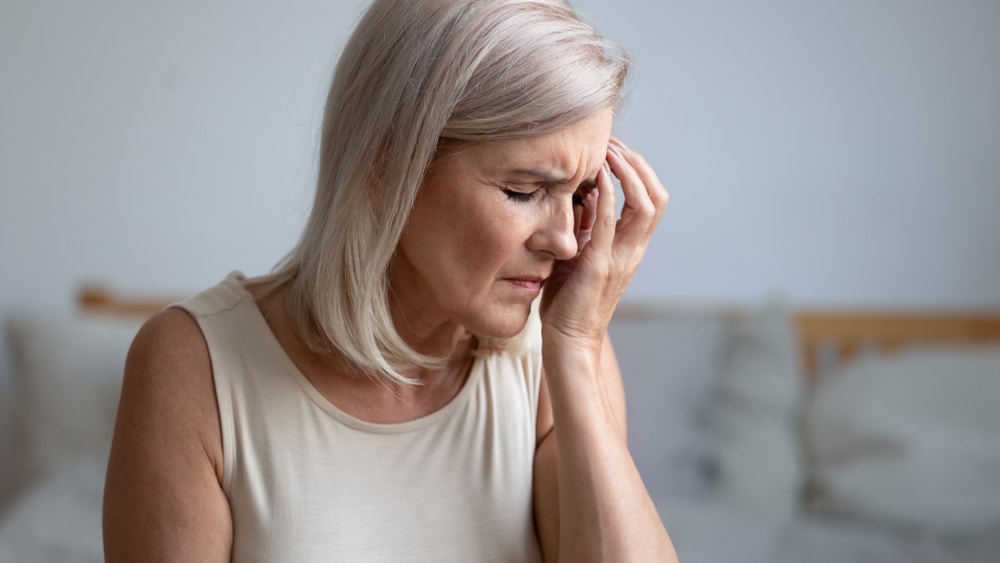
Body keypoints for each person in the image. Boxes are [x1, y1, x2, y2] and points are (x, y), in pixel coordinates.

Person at [103, 0, 677, 560]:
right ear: (385, 167)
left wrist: (576, 348)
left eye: (579, 195)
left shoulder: (558, 358)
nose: (567, 242)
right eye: (524, 191)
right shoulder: (194, 366)